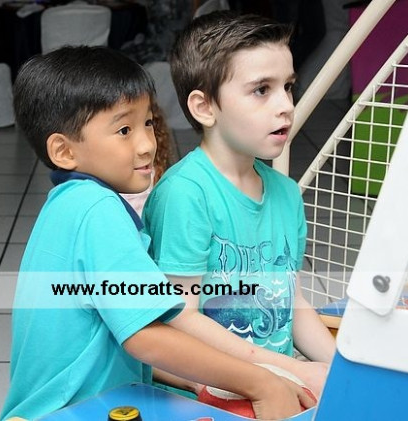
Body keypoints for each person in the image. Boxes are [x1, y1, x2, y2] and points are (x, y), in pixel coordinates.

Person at [0, 46, 315, 421]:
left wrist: (196, 381)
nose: (148, 144)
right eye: (124, 130)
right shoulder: (97, 210)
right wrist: (261, 382)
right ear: (65, 152)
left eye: (147, 122)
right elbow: (145, 337)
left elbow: (112, 337)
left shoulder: (67, 205)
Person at [142, 11, 336, 399]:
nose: (285, 105)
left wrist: (343, 369)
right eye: (262, 89)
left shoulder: (285, 194)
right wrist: (295, 371)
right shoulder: (185, 195)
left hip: (278, 388)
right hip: (207, 396)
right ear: (205, 107)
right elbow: (180, 318)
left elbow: (292, 301)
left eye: (288, 87)